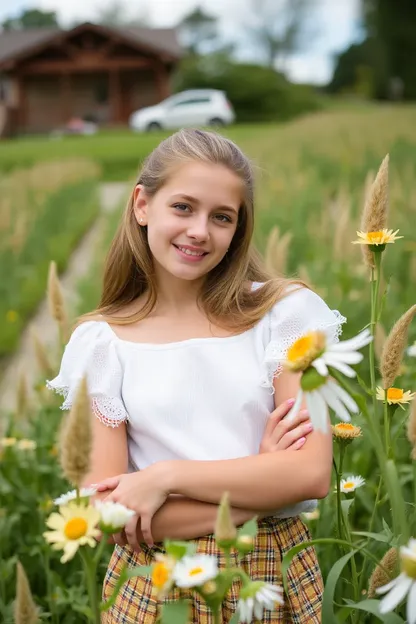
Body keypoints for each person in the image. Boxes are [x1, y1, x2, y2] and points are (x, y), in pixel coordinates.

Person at [46, 128, 346, 623]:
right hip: (154, 582)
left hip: (270, 573)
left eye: (221, 217)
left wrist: (165, 478)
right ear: (143, 205)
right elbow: (103, 513)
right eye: (183, 207)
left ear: (237, 230)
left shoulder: (284, 315)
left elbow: (309, 475)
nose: (200, 231)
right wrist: (261, 489)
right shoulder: (102, 343)